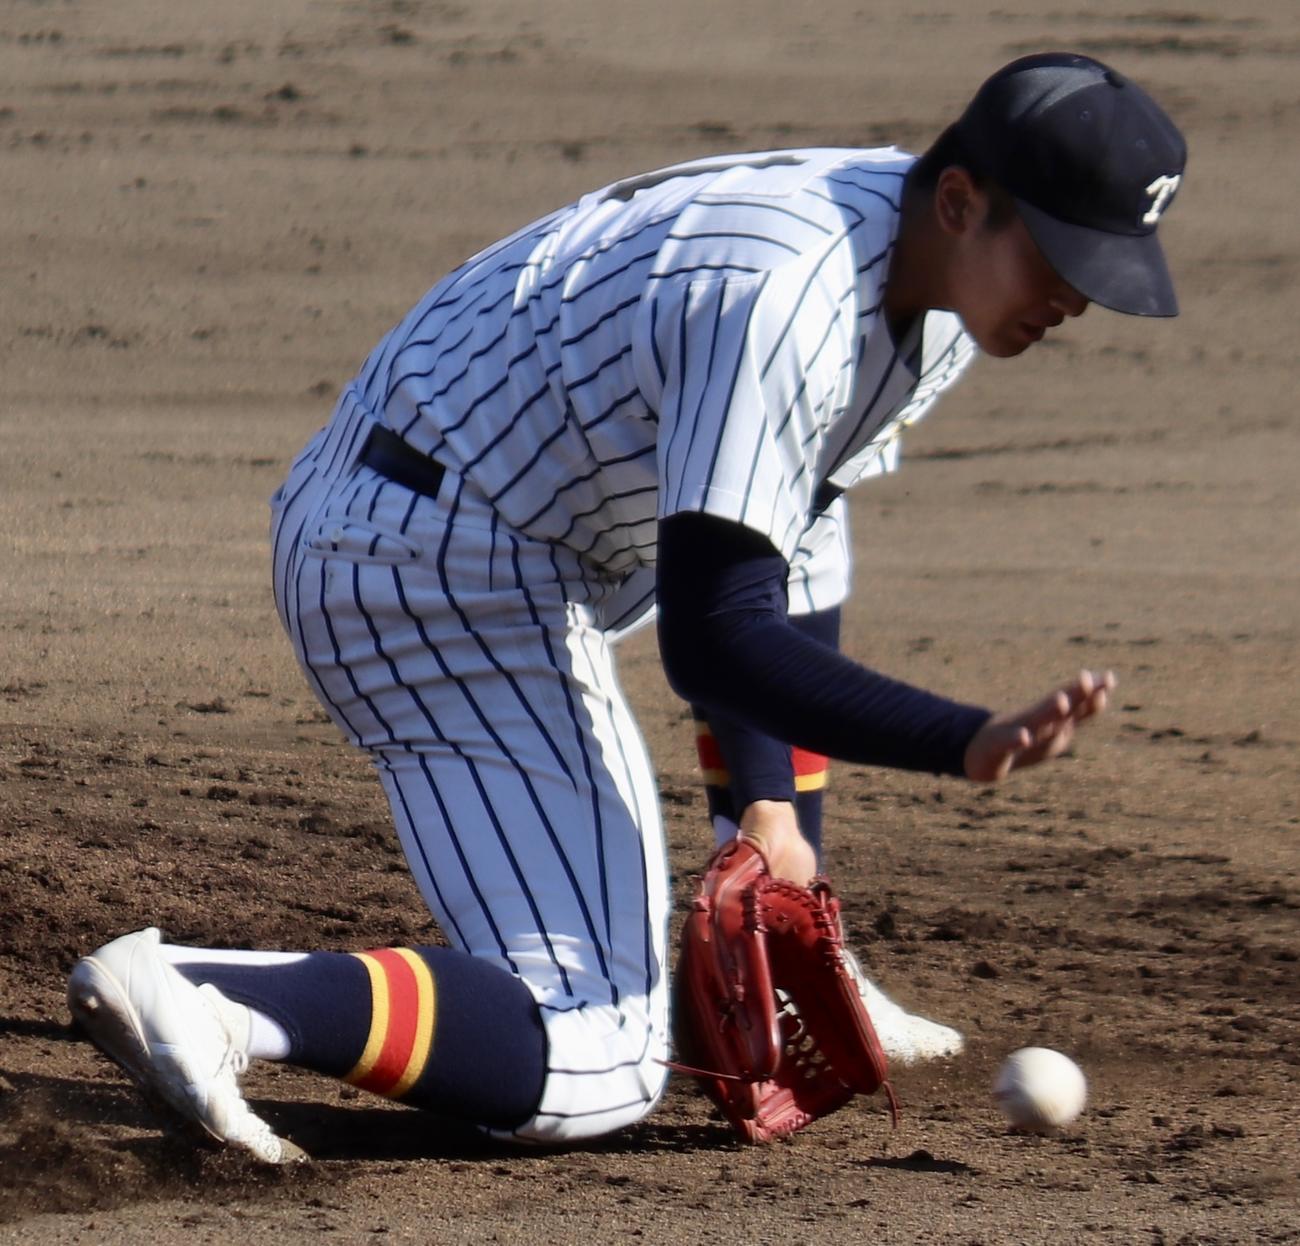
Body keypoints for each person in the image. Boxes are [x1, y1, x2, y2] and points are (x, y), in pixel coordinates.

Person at [68, 52, 1186, 1163]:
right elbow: (716, 635)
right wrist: (963, 739)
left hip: (481, 523)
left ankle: (766, 859)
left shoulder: (923, 274)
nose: (1076, 298)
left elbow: (785, 537)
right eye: (1060, 255)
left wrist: (770, 811)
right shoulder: (785, 296)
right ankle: (204, 990)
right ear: (961, 198)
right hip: (424, 567)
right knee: (595, 1057)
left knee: (801, 515)